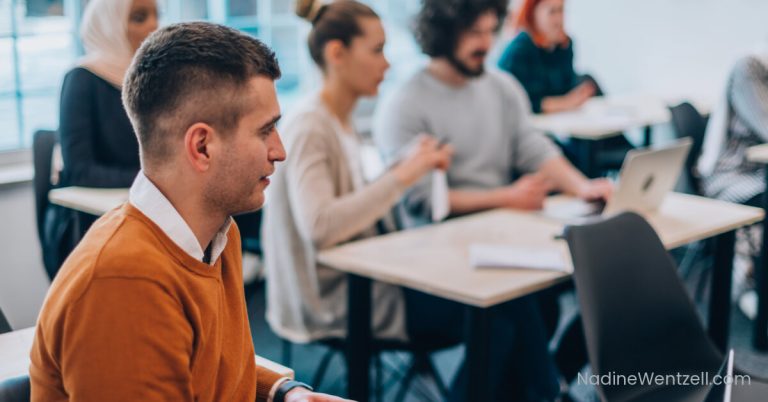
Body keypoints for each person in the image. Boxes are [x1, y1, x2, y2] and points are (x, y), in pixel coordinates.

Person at [30, 21, 349, 402]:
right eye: (266, 130)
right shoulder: (123, 282)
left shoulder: (215, 232)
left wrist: (282, 392)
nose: (280, 151)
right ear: (202, 147)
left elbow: (208, 364)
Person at [265, 1, 563, 401]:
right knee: (502, 309)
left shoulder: (338, 121)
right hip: (344, 300)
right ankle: (545, 394)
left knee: (521, 302)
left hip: (372, 283)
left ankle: (538, 393)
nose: (387, 65)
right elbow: (321, 226)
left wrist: (406, 166)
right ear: (338, 54)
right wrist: (404, 174)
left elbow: (355, 207)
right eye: (376, 51)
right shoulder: (312, 126)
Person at [373, 0, 614, 395]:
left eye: (489, 31)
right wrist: (507, 197)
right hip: (433, 251)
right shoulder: (405, 102)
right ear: (443, 34)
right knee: (514, 303)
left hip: (502, 234)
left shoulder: (502, 87)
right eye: (473, 33)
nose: (485, 43)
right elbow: (420, 200)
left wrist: (582, 186)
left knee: (596, 274)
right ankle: (547, 390)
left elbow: (532, 146)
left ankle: (546, 384)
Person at [42, 0, 157, 280]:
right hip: (86, 226)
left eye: (156, 15)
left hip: (141, 209)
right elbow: (80, 169)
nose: (154, 26)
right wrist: (153, 180)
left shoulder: (151, 79)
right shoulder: (82, 78)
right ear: (109, 25)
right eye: (139, 17)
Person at [497, 0, 594, 114]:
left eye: (561, 10)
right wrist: (564, 103)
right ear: (533, 14)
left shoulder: (564, 45)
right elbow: (518, 102)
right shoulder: (519, 50)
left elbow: (567, 87)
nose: (559, 20)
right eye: (552, 12)